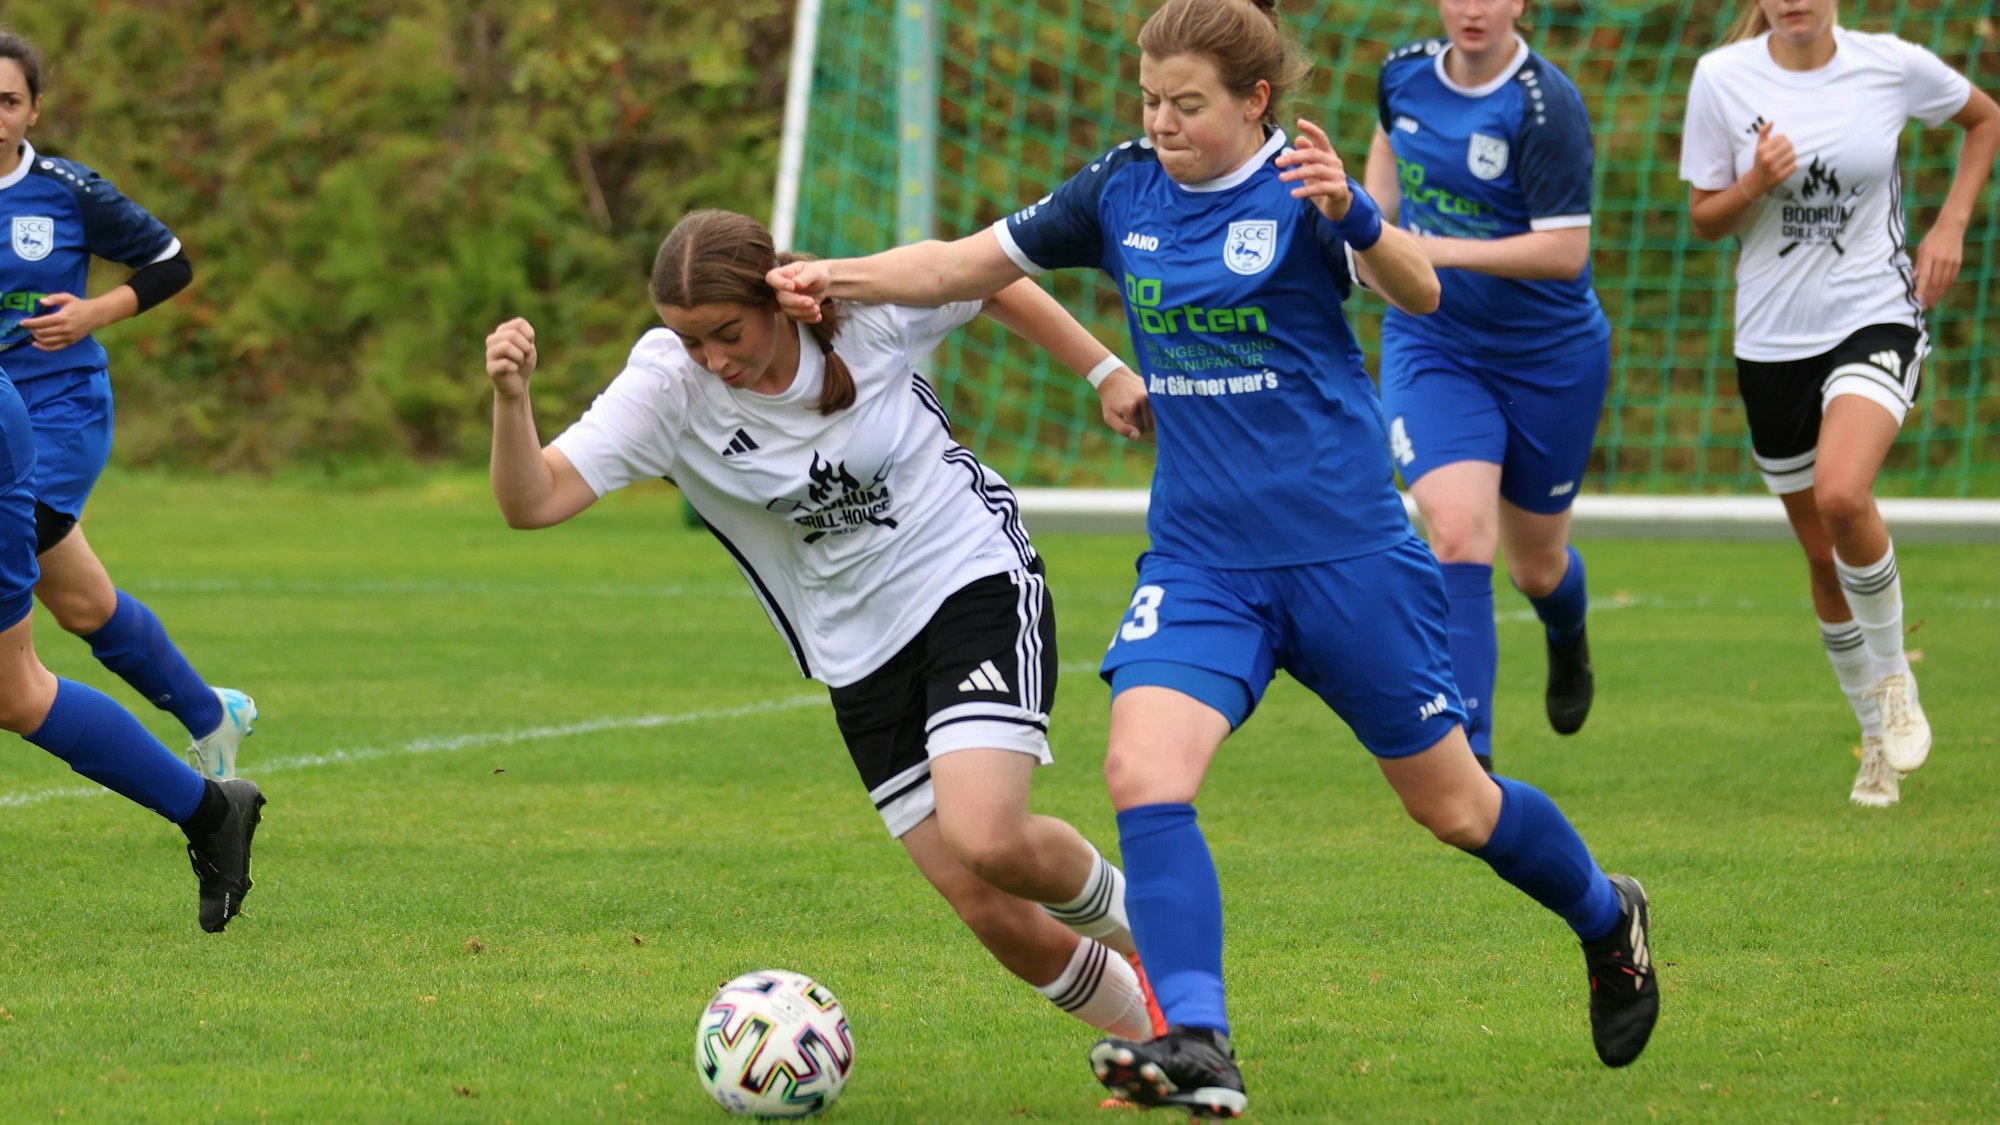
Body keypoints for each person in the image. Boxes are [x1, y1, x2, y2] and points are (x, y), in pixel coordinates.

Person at [767, 0, 1658, 1114]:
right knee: (1141, 772)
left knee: (1455, 810)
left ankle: (1602, 915)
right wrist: (834, 277)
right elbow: (964, 263)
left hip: (1346, 556)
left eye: (1187, 104)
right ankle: (1196, 1039)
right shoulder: (1120, 188)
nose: (1163, 121)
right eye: (1149, 99)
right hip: (1200, 563)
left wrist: (1361, 219)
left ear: (1254, 101)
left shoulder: (1303, 187)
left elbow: (1418, 294)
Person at [483, 209, 1170, 1054]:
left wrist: (1103, 370)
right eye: (691, 340)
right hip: (856, 649)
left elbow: (989, 280)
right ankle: (1161, 1045)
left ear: (774, 297)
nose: (714, 360)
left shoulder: (861, 309)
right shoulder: (668, 386)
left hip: (967, 575)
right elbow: (532, 501)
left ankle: (1172, 951)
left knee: (988, 833)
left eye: (727, 333)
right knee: (986, 903)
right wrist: (513, 402)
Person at [1680, 0, 1998, 806]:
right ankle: (1875, 742)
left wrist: (1950, 224)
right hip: (1771, 342)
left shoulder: (1890, 64)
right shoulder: (1721, 78)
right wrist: (1754, 181)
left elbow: (1984, 120)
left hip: (1874, 312)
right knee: (1822, 556)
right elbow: (1706, 219)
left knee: (1845, 496)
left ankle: (1895, 679)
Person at [0, 30, 256, 781]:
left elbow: (171, 261)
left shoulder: (68, 191)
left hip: (60, 407)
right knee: (81, 605)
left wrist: (92, 312)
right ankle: (211, 713)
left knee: (32, 530)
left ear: (35, 110)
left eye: (8, 100)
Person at [1364, 0, 1610, 771]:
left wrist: (1432, 249)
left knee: (1536, 566)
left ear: (1522, 5)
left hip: (1550, 356)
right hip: (1433, 340)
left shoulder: (1547, 104)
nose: (1474, 8)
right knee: (1459, 530)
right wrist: (1375, 236)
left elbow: (1566, 252)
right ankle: (1471, 760)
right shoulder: (1402, 74)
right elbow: (1383, 162)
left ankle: (1567, 636)